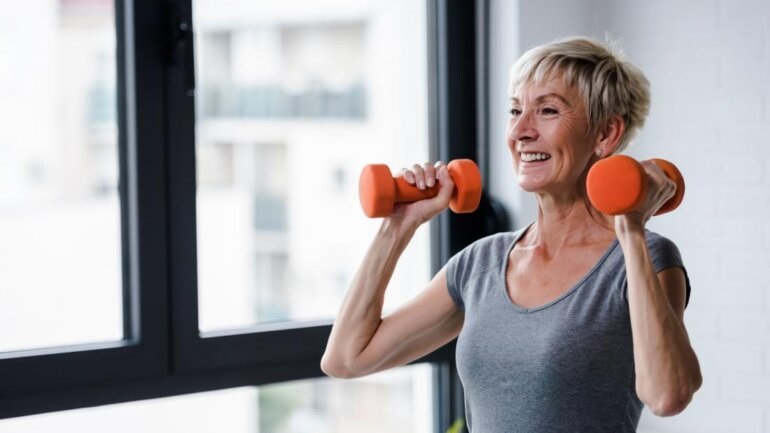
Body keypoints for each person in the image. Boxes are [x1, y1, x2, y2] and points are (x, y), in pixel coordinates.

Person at [321, 36, 702, 432]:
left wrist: (631, 228)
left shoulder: (644, 258)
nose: (521, 130)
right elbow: (347, 359)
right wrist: (397, 228)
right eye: (515, 110)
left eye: (548, 110)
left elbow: (667, 395)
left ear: (605, 135)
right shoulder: (480, 264)